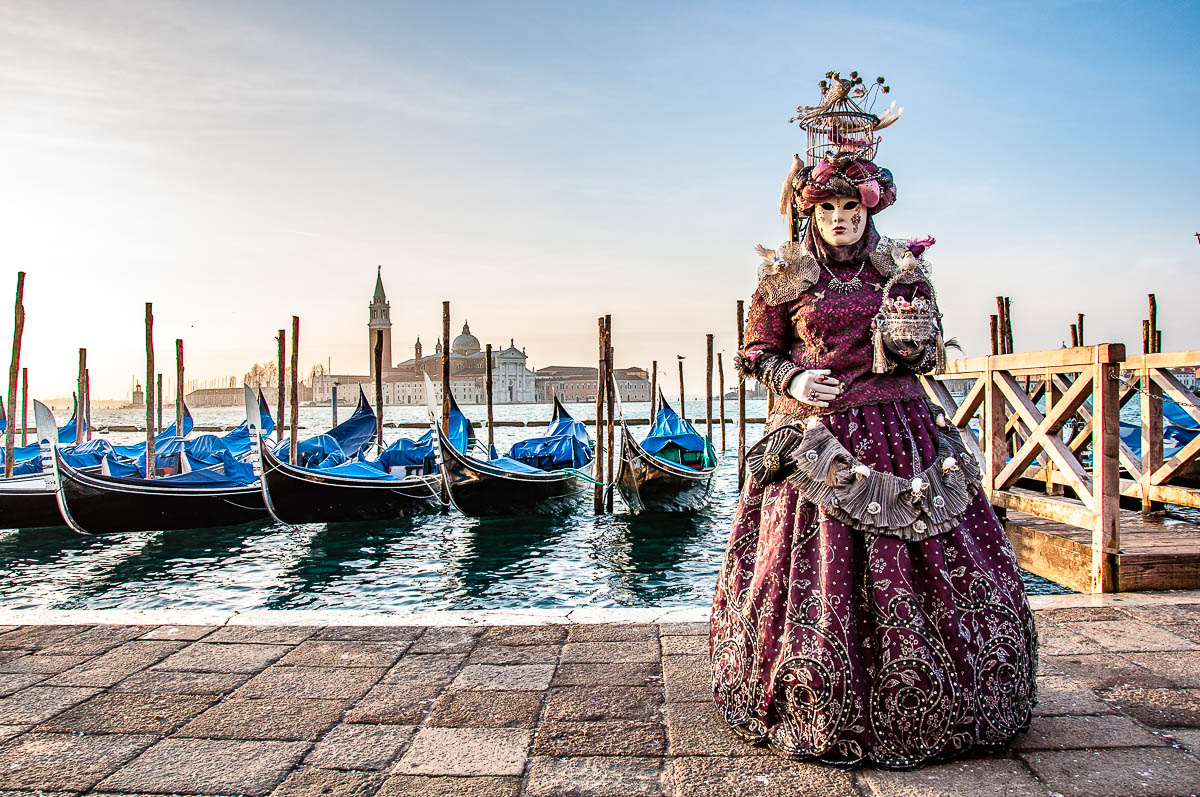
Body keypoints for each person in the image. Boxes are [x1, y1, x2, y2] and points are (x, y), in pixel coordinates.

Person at [709, 149, 1037, 769]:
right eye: (828, 208)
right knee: (820, 561)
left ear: (869, 210)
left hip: (901, 430)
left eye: (850, 208)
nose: (840, 219)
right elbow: (753, 350)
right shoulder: (785, 277)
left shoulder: (900, 270)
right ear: (812, 212)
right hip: (816, 436)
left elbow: (927, 347)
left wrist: (916, 337)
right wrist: (792, 379)